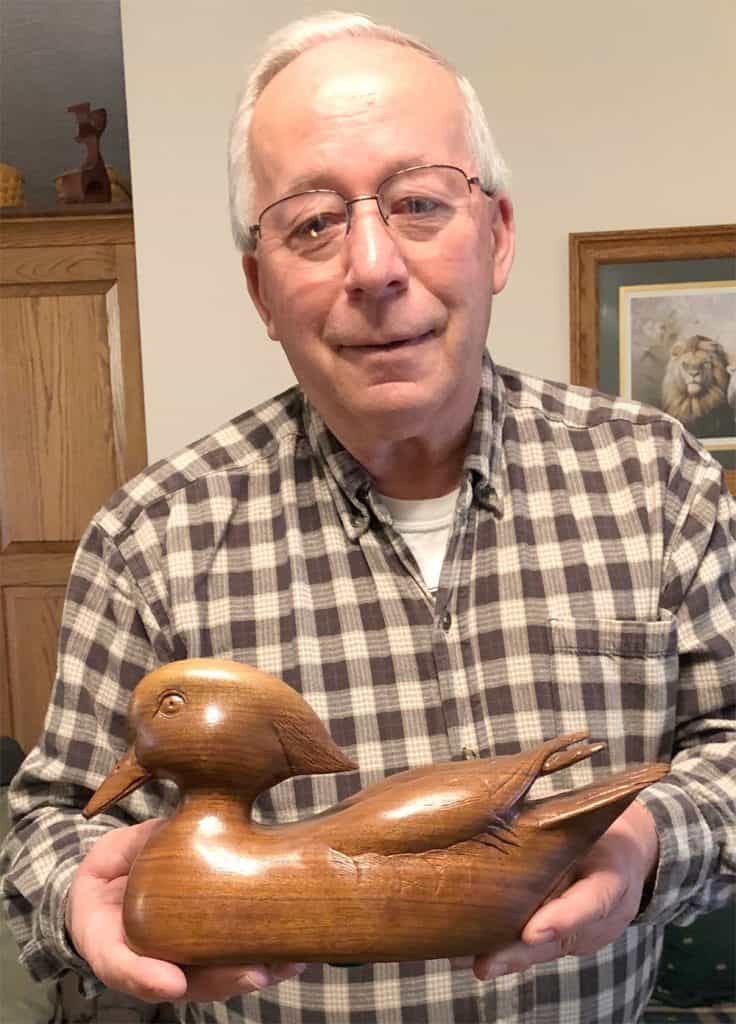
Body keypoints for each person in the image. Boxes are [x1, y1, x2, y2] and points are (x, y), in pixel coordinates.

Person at [2, 10, 735, 1024]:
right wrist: (84, 905)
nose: (375, 267)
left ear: (499, 234)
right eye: (311, 223)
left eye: (419, 202)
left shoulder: (656, 478)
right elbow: (52, 822)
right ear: (262, 287)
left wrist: (649, 838)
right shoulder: (149, 539)